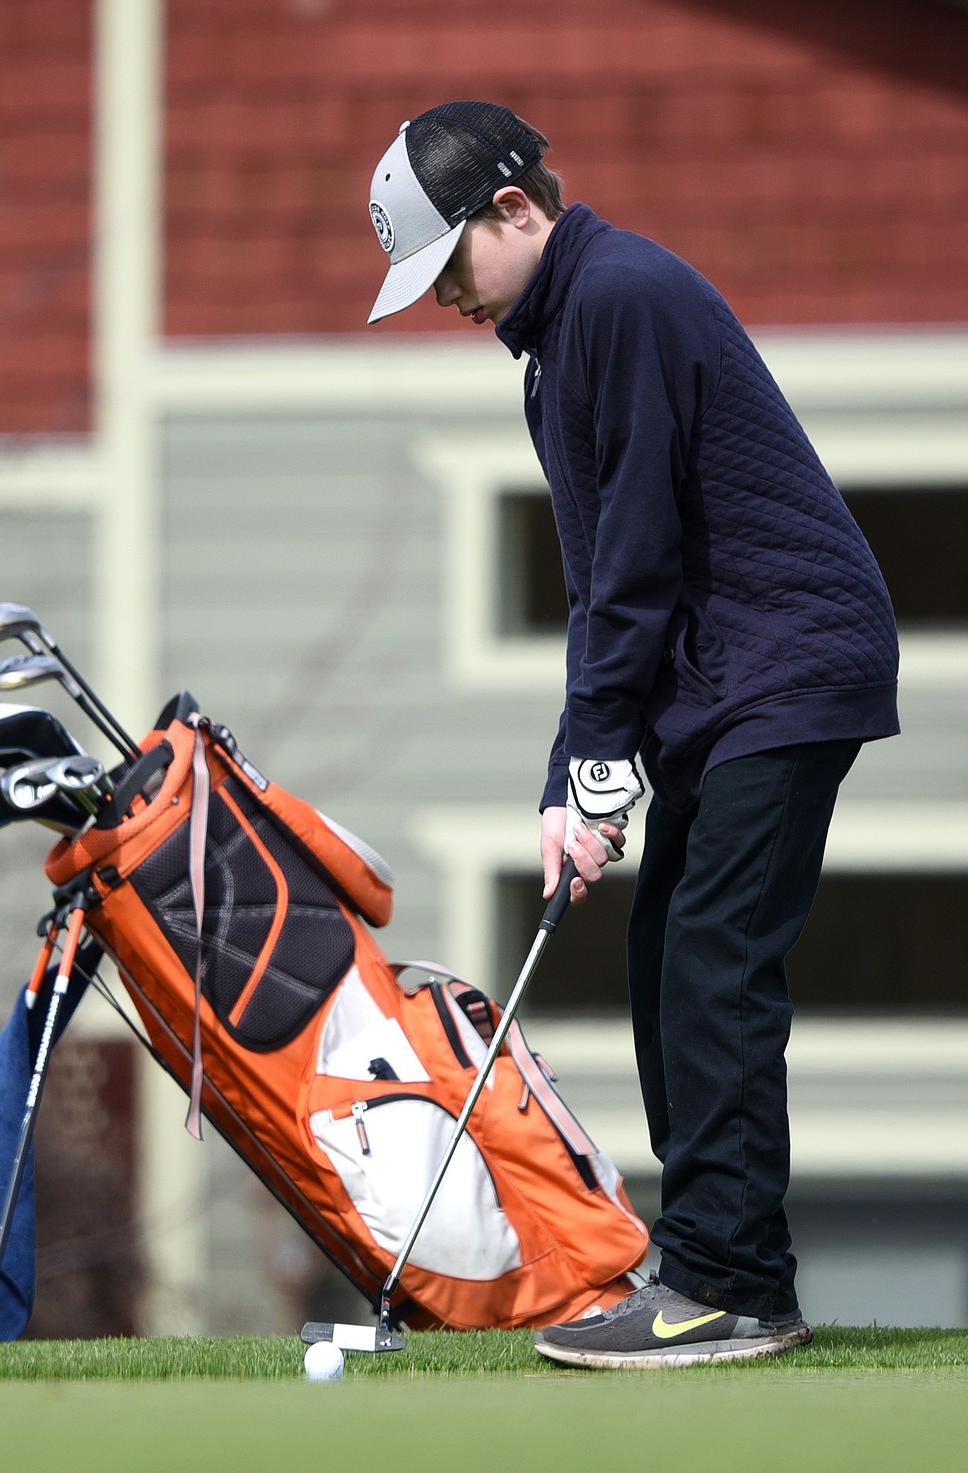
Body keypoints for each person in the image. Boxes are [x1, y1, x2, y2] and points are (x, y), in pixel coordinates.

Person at [365, 101, 899, 1368]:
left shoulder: (620, 296)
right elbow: (602, 575)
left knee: (714, 963)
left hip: (787, 667)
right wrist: (574, 776)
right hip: (731, 681)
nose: (445, 299)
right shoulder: (559, 339)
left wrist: (604, 757)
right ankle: (711, 1261)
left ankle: (732, 1282)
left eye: (448, 268)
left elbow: (644, 554)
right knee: (670, 956)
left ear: (513, 210)